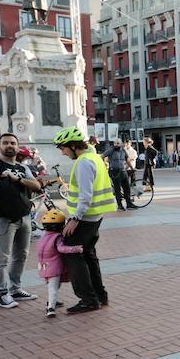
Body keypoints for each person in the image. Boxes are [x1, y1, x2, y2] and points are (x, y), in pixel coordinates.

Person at [0, 133, 45, 309]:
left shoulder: (22, 167)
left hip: (24, 216)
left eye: (12, 143)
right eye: (5, 143)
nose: (9, 146)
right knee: (2, 257)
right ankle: (2, 293)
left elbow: (36, 186)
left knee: (21, 255)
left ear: (17, 146)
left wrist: (18, 180)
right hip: (3, 218)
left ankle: (15, 289)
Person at [53, 127, 115, 313]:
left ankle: (88, 299)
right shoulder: (94, 157)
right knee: (88, 255)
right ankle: (99, 296)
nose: (62, 152)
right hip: (95, 216)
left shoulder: (83, 163)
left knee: (71, 253)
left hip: (85, 218)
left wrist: (74, 219)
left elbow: (85, 196)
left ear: (73, 145)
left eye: (63, 148)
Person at [35, 207, 82, 317]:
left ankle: (53, 302)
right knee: (53, 289)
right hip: (54, 268)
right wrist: (76, 249)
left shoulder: (43, 236)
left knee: (55, 286)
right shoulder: (57, 237)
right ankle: (50, 308)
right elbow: (61, 249)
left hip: (44, 266)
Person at [105, 140, 132, 211]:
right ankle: (120, 205)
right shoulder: (111, 150)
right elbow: (102, 156)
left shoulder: (123, 150)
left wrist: (132, 168)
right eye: (115, 143)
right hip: (114, 172)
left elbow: (127, 160)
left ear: (121, 144)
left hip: (123, 171)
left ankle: (129, 204)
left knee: (127, 188)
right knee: (117, 189)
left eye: (117, 143)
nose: (116, 144)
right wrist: (104, 166)